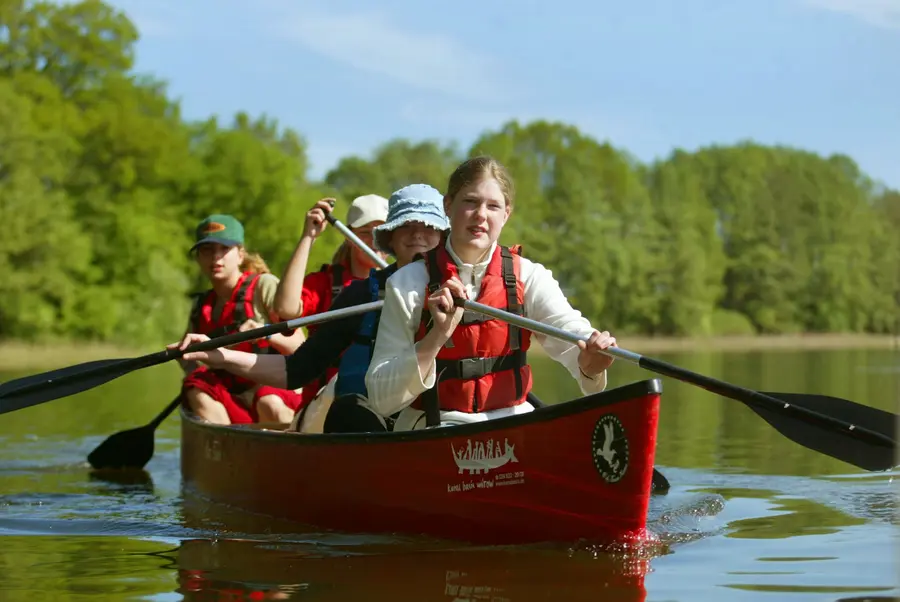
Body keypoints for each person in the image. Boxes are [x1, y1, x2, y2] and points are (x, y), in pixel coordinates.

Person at [364, 156, 619, 431]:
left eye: (493, 206)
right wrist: (436, 336)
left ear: (506, 214)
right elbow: (381, 399)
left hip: (513, 426)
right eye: (470, 202)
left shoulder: (530, 276)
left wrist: (591, 364)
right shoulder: (406, 284)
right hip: (434, 429)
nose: (481, 215)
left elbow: (573, 334)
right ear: (448, 206)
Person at [170, 185, 451, 433]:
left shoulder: (465, 290)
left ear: (443, 236)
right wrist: (219, 355)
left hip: (444, 422)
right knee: (343, 411)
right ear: (390, 237)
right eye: (407, 225)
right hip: (362, 422)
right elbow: (296, 368)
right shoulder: (359, 295)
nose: (418, 234)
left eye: (429, 227)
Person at [177, 214, 307, 425]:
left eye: (224, 249)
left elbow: (301, 347)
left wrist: (266, 333)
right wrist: (192, 370)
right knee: (195, 384)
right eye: (207, 250)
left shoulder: (264, 286)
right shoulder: (201, 305)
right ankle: (227, 441)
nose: (216, 257)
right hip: (233, 399)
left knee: (267, 402)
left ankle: (286, 440)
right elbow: (186, 355)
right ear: (198, 258)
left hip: (276, 391)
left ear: (240, 255)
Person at [273, 194, 390, 407]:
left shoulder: (402, 282)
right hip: (323, 405)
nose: (374, 241)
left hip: (382, 398)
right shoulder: (325, 282)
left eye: (381, 233)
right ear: (349, 237)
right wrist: (308, 236)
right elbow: (286, 309)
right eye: (365, 233)